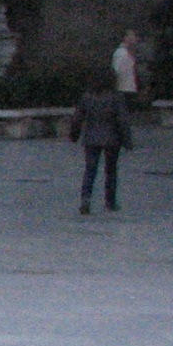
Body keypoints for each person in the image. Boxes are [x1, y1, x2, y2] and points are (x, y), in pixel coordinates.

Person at [71, 67, 134, 215]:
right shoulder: (116, 97)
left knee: (90, 170)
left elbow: (78, 118)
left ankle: (85, 200)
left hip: (91, 138)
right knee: (111, 170)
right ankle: (110, 201)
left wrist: (74, 135)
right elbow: (122, 120)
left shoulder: (87, 97)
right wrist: (127, 140)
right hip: (112, 138)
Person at [114, 31, 141, 108]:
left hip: (130, 88)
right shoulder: (120, 53)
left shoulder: (129, 52)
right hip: (124, 89)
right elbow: (117, 70)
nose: (134, 39)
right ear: (125, 38)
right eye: (132, 36)